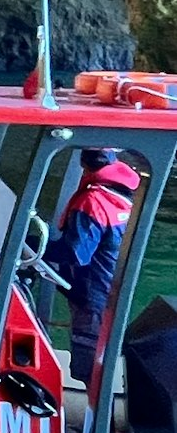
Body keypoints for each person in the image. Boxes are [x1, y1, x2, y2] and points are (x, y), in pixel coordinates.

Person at [46, 148, 140, 382]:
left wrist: (30, 245)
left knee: (89, 369)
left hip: (91, 296)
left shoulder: (93, 200)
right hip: (109, 289)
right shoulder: (121, 194)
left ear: (84, 164)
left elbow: (76, 253)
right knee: (99, 361)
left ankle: (96, 404)